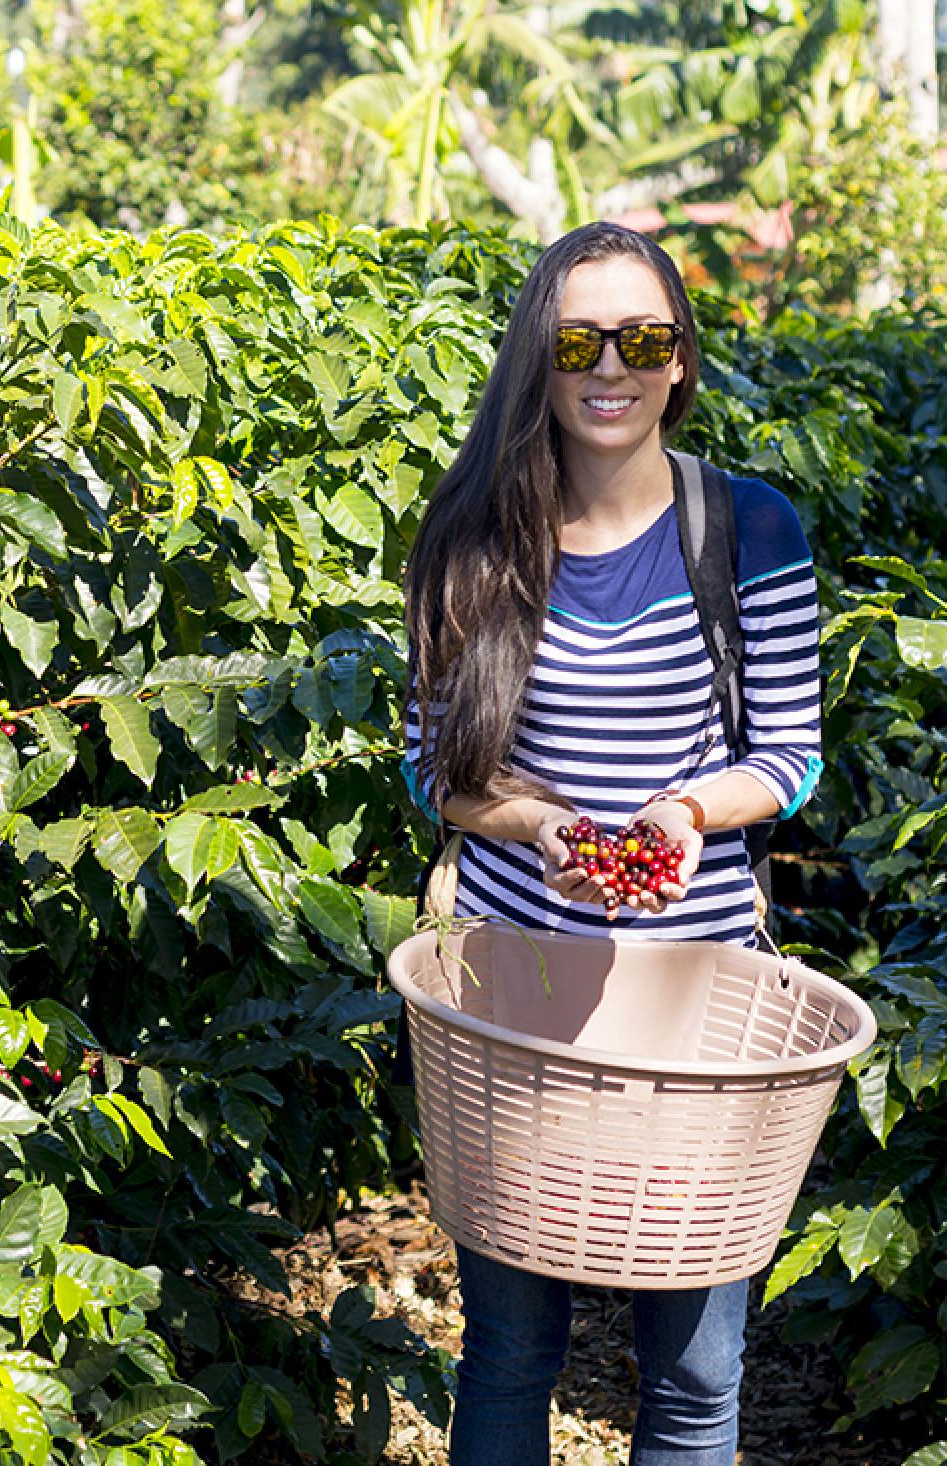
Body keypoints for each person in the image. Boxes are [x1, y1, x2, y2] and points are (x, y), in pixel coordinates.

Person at [398, 220, 823, 1464]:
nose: (611, 367)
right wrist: (542, 825)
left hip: (691, 1003)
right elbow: (440, 770)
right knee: (510, 1351)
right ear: (539, 353)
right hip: (512, 993)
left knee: (693, 1372)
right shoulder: (470, 533)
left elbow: (788, 756)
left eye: (644, 338)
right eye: (580, 337)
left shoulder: (749, 528)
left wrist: (684, 813)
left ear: (682, 360)